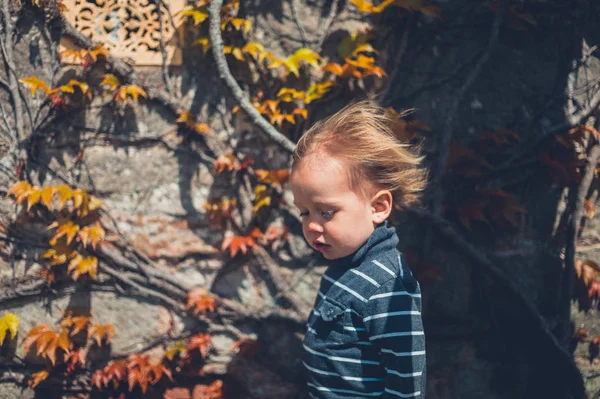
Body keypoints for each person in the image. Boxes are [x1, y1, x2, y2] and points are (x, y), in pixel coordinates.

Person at [290, 100, 428, 398]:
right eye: (304, 213)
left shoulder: (387, 287)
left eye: (326, 212)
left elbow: (407, 380)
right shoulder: (343, 266)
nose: (312, 225)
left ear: (378, 207)